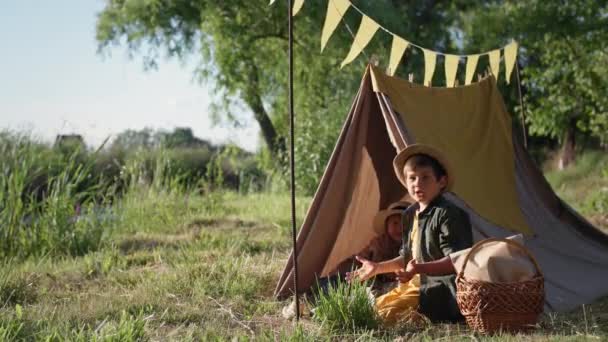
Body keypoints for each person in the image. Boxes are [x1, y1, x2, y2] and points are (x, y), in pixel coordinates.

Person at [347, 144, 473, 324]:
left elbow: (458, 261)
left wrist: (419, 269)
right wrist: (377, 268)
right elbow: (408, 258)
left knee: (383, 317)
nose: (417, 184)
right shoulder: (409, 214)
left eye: (425, 178)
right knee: (366, 311)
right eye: (412, 178)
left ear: (441, 182)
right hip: (412, 286)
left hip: (439, 289)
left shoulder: (448, 214)